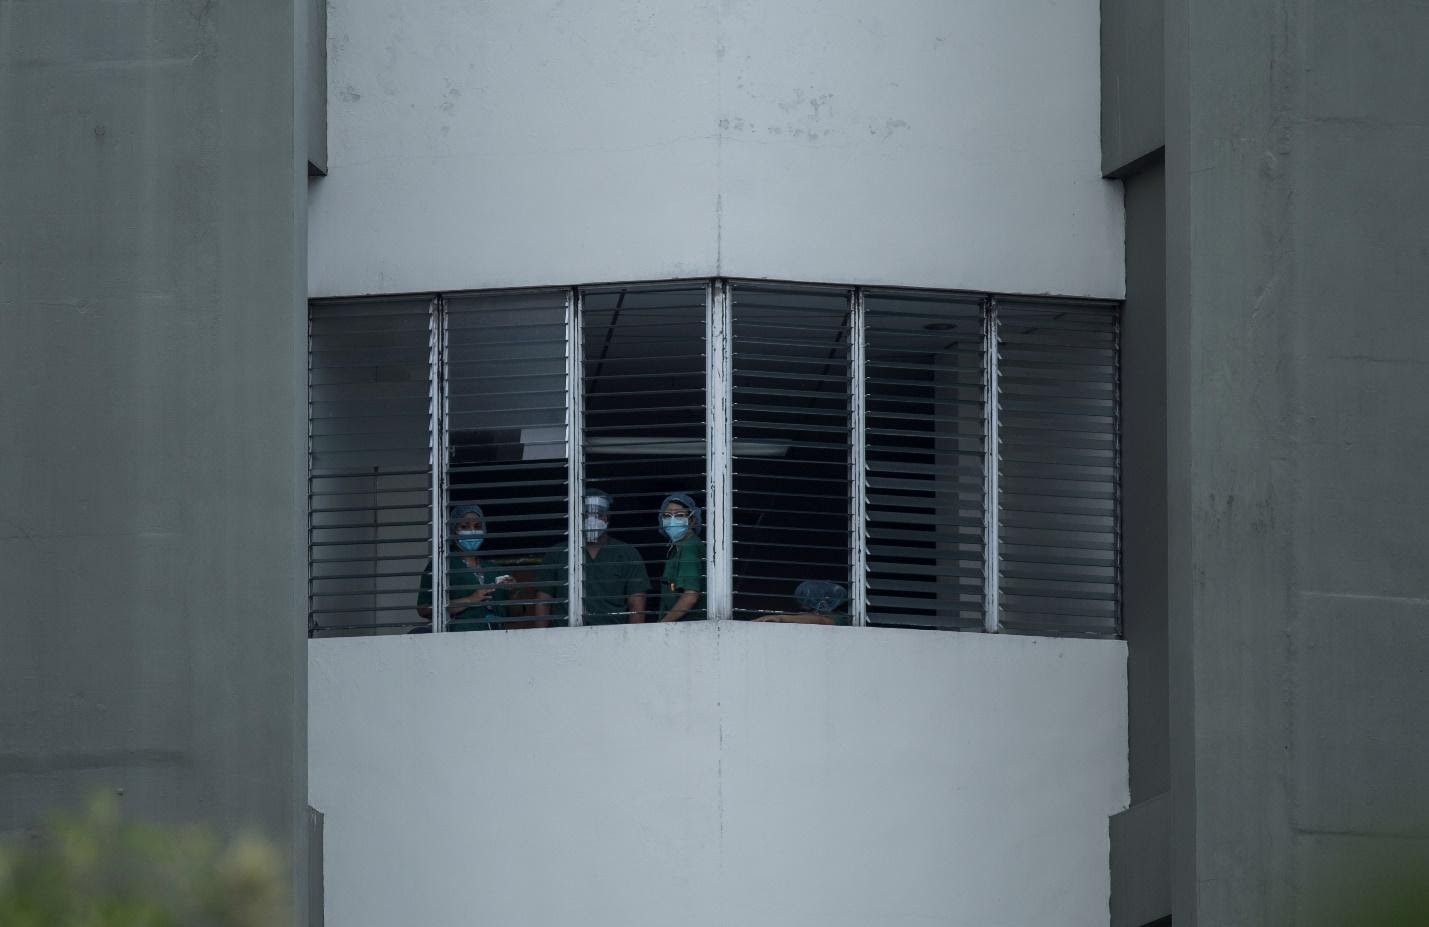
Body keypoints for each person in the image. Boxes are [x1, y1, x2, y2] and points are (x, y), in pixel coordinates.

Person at [533, 489, 648, 625]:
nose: (591, 520)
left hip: (614, 637)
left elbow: (636, 606)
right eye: (586, 515)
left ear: (607, 518)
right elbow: (544, 602)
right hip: (565, 638)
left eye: (598, 514)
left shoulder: (626, 554)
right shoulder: (557, 554)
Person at [415, 503, 511, 632]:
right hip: (460, 637)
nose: (472, 531)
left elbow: (516, 613)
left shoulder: (493, 569)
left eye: (477, 526)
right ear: (454, 530)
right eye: (465, 526)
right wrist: (470, 599)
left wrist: (514, 592)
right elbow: (424, 609)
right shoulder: (442, 566)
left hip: (496, 638)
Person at [657, 492, 705, 622]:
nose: (672, 521)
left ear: (692, 520)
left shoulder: (690, 547)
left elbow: (690, 596)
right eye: (667, 516)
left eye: (679, 515)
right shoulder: (676, 550)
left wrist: (662, 625)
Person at [754, 579, 849, 625]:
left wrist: (779, 618)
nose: (802, 606)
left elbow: (819, 620)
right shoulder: (822, 614)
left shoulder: (842, 618)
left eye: (806, 602)